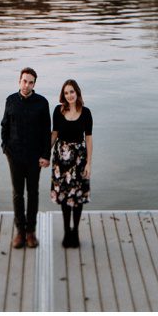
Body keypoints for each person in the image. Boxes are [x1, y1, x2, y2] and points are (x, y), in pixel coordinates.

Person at [0, 66, 50, 248]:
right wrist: (5, 148)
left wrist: (46, 155)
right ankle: (20, 232)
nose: (27, 85)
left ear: (34, 84)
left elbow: (46, 132)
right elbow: (4, 125)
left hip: (34, 157)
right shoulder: (11, 100)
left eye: (30, 82)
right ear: (19, 81)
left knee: (33, 194)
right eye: (24, 81)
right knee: (17, 194)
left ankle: (31, 232)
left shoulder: (42, 103)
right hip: (14, 156)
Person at [50, 78, 93, 248]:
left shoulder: (86, 112)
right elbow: (54, 134)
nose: (69, 95)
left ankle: (75, 231)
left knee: (78, 197)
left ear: (77, 93)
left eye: (72, 92)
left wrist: (89, 163)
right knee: (64, 197)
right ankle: (67, 231)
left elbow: (88, 139)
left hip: (80, 159)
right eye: (66, 92)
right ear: (63, 95)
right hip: (61, 160)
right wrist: (43, 154)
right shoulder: (58, 111)